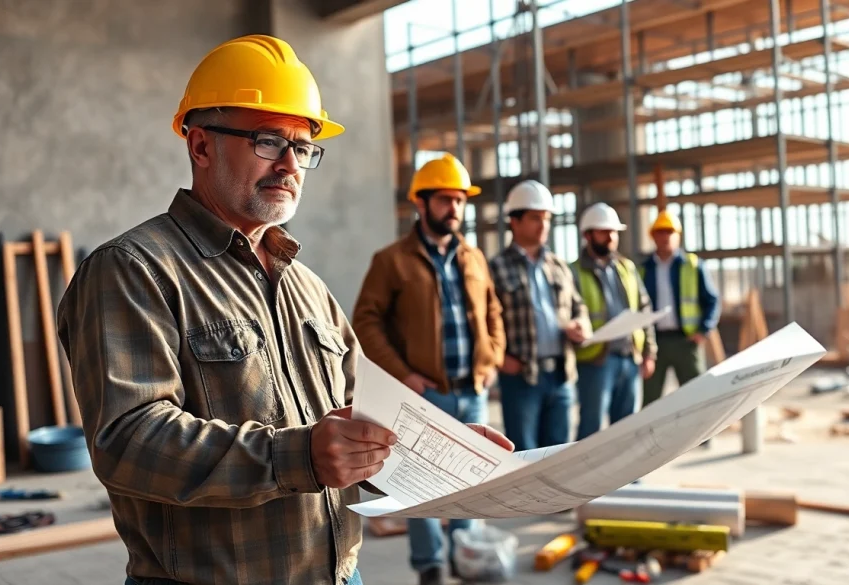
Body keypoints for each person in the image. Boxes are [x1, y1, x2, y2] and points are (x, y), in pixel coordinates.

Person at [54, 35, 511, 585]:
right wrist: (301, 457)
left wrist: (444, 455)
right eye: (269, 141)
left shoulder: (308, 289)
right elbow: (127, 440)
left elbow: (357, 423)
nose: (291, 164)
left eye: (305, 147)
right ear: (200, 145)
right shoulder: (134, 270)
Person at [351, 153, 506, 585]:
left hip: (471, 389)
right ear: (421, 203)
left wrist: (491, 357)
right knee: (419, 485)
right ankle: (430, 565)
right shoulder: (392, 261)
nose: (454, 209)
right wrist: (403, 376)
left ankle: (464, 553)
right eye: (445, 200)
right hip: (424, 394)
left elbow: (493, 311)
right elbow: (365, 320)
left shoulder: (474, 257)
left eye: (460, 200)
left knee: (471, 481)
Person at [488, 180, 590, 451]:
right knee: (523, 455)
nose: (543, 225)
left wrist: (581, 325)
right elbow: (485, 320)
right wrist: (500, 359)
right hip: (521, 377)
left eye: (545, 218)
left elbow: (579, 306)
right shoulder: (496, 267)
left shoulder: (559, 265)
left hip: (561, 375)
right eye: (535, 218)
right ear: (515, 221)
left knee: (558, 457)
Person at [570, 202, 657, 441]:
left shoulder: (626, 267)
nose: (610, 237)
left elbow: (644, 310)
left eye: (614, 232)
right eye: (604, 231)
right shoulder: (573, 272)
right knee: (592, 425)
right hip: (597, 361)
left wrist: (649, 352)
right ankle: (586, 477)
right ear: (588, 235)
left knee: (628, 428)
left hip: (630, 358)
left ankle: (629, 479)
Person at [640, 210, 721, 410]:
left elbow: (712, 300)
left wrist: (703, 330)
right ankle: (651, 440)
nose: (665, 236)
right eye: (660, 232)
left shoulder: (693, 266)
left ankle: (703, 438)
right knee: (650, 398)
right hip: (654, 343)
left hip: (686, 341)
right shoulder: (643, 270)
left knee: (697, 394)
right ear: (653, 236)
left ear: (678, 235)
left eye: (670, 231)